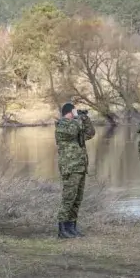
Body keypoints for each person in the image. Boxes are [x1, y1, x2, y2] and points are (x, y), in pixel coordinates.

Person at [54, 102, 96, 238]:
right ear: (70, 112)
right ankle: (62, 230)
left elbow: (90, 133)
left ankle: (72, 227)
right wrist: (78, 118)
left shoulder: (76, 124)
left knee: (77, 199)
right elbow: (72, 131)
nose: (76, 114)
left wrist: (85, 118)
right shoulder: (62, 125)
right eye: (75, 111)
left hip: (80, 167)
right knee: (68, 199)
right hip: (70, 167)